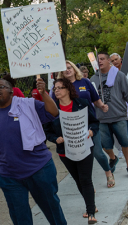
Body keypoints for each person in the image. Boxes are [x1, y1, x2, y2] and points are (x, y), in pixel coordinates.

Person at [0, 78, 67, 225]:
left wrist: (44, 94)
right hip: (9, 177)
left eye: (1, 87)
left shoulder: (28, 105)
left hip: (39, 169)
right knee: (20, 217)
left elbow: (53, 112)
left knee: (52, 210)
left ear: (11, 90)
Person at [44, 78, 99, 224]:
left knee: (85, 179)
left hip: (84, 146)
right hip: (65, 151)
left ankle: (91, 211)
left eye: (60, 88)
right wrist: (56, 139)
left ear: (68, 89)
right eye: (55, 88)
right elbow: (47, 131)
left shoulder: (82, 104)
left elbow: (94, 122)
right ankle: (91, 203)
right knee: (78, 180)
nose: (56, 90)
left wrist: (92, 131)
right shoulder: (52, 109)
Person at [56, 60, 115, 188]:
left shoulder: (85, 82)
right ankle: (88, 186)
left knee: (98, 152)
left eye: (70, 67)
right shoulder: (59, 87)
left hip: (89, 123)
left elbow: (95, 98)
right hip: (72, 127)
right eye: (64, 68)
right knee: (80, 158)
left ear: (74, 69)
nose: (68, 70)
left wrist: (102, 106)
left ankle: (108, 172)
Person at [90, 52, 128, 175]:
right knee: (105, 145)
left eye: (102, 59)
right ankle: (113, 158)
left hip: (119, 115)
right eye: (98, 59)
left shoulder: (120, 75)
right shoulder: (93, 79)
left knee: (125, 142)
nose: (100, 61)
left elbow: (126, 94)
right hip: (101, 118)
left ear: (108, 61)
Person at [110, 53, 125, 159]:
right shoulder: (110, 75)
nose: (115, 62)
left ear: (121, 60)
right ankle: (120, 149)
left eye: (116, 59)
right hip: (117, 107)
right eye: (112, 61)